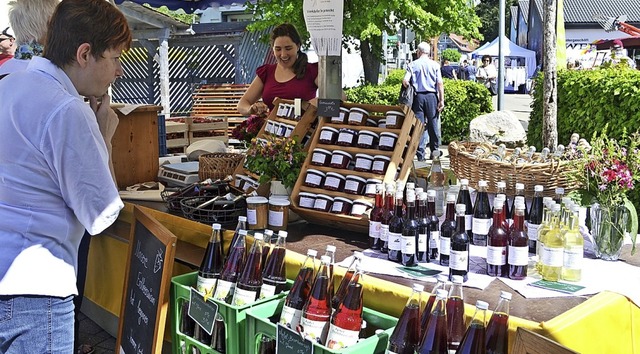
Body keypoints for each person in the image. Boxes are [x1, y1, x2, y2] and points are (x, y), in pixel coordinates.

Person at [0, 0, 130, 353]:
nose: (118, 71)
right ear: (85, 53)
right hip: (36, 289)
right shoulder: (67, 108)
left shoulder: (10, 84)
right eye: (115, 58)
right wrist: (104, 137)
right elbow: (102, 214)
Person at [237, 23, 319, 116]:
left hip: (304, 128)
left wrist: (315, 104)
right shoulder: (266, 72)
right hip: (270, 129)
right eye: (278, 49)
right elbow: (242, 104)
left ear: (298, 46)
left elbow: (336, 96)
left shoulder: (312, 71)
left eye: (288, 48)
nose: (283, 54)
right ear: (273, 50)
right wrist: (251, 109)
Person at [403, 42, 444, 161]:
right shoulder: (435, 65)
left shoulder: (412, 65)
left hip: (418, 97)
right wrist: (441, 100)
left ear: (418, 52)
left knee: (419, 126)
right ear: (428, 52)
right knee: (433, 124)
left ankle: (420, 154)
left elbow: (405, 81)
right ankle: (434, 151)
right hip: (431, 96)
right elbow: (439, 83)